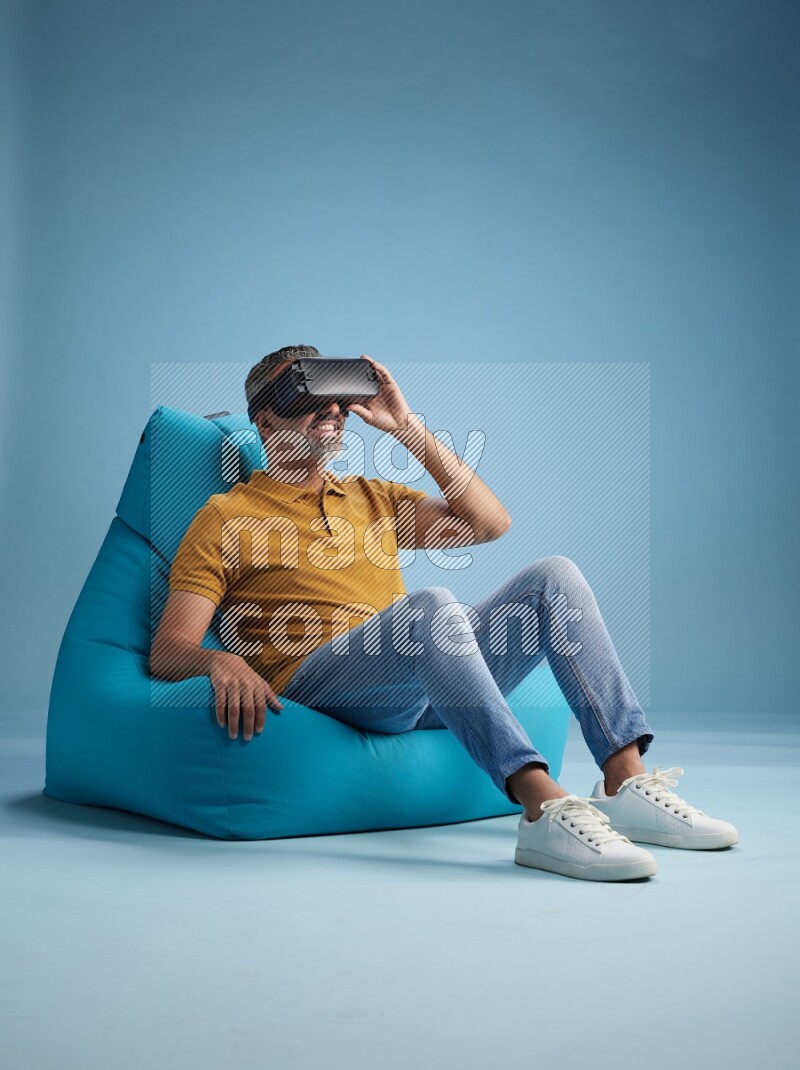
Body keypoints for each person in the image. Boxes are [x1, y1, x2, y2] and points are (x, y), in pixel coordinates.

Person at [150, 344, 739, 882]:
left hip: (421, 680)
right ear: (265, 421)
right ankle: (543, 809)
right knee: (430, 606)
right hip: (323, 685)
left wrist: (406, 426)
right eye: (304, 399)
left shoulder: (370, 496)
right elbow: (169, 648)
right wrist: (218, 660)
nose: (329, 412)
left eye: (336, 399)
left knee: (554, 577)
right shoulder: (226, 516)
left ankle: (626, 781)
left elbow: (489, 523)